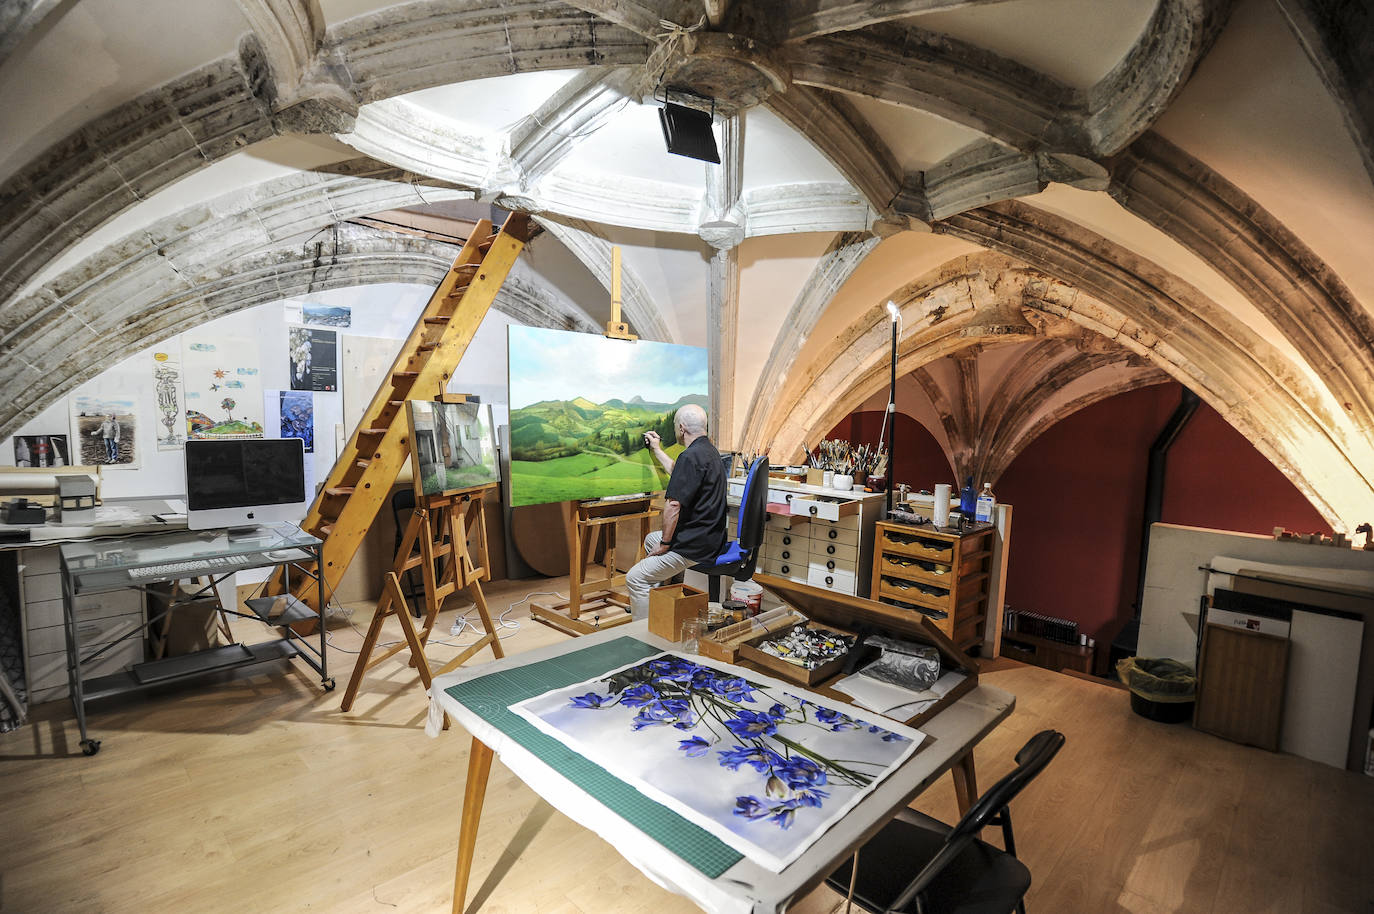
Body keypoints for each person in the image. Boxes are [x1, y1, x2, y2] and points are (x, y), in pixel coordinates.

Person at [625, 403, 727, 620]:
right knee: (651, 539)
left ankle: (643, 634)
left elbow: (673, 506)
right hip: (711, 538)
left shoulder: (690, 457)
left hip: (694, 546)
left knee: (635, 578)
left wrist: (666, 544)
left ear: (681, 428)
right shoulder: (708, 451)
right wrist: (656, 449)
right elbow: (678, 471)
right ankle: (659, 604)